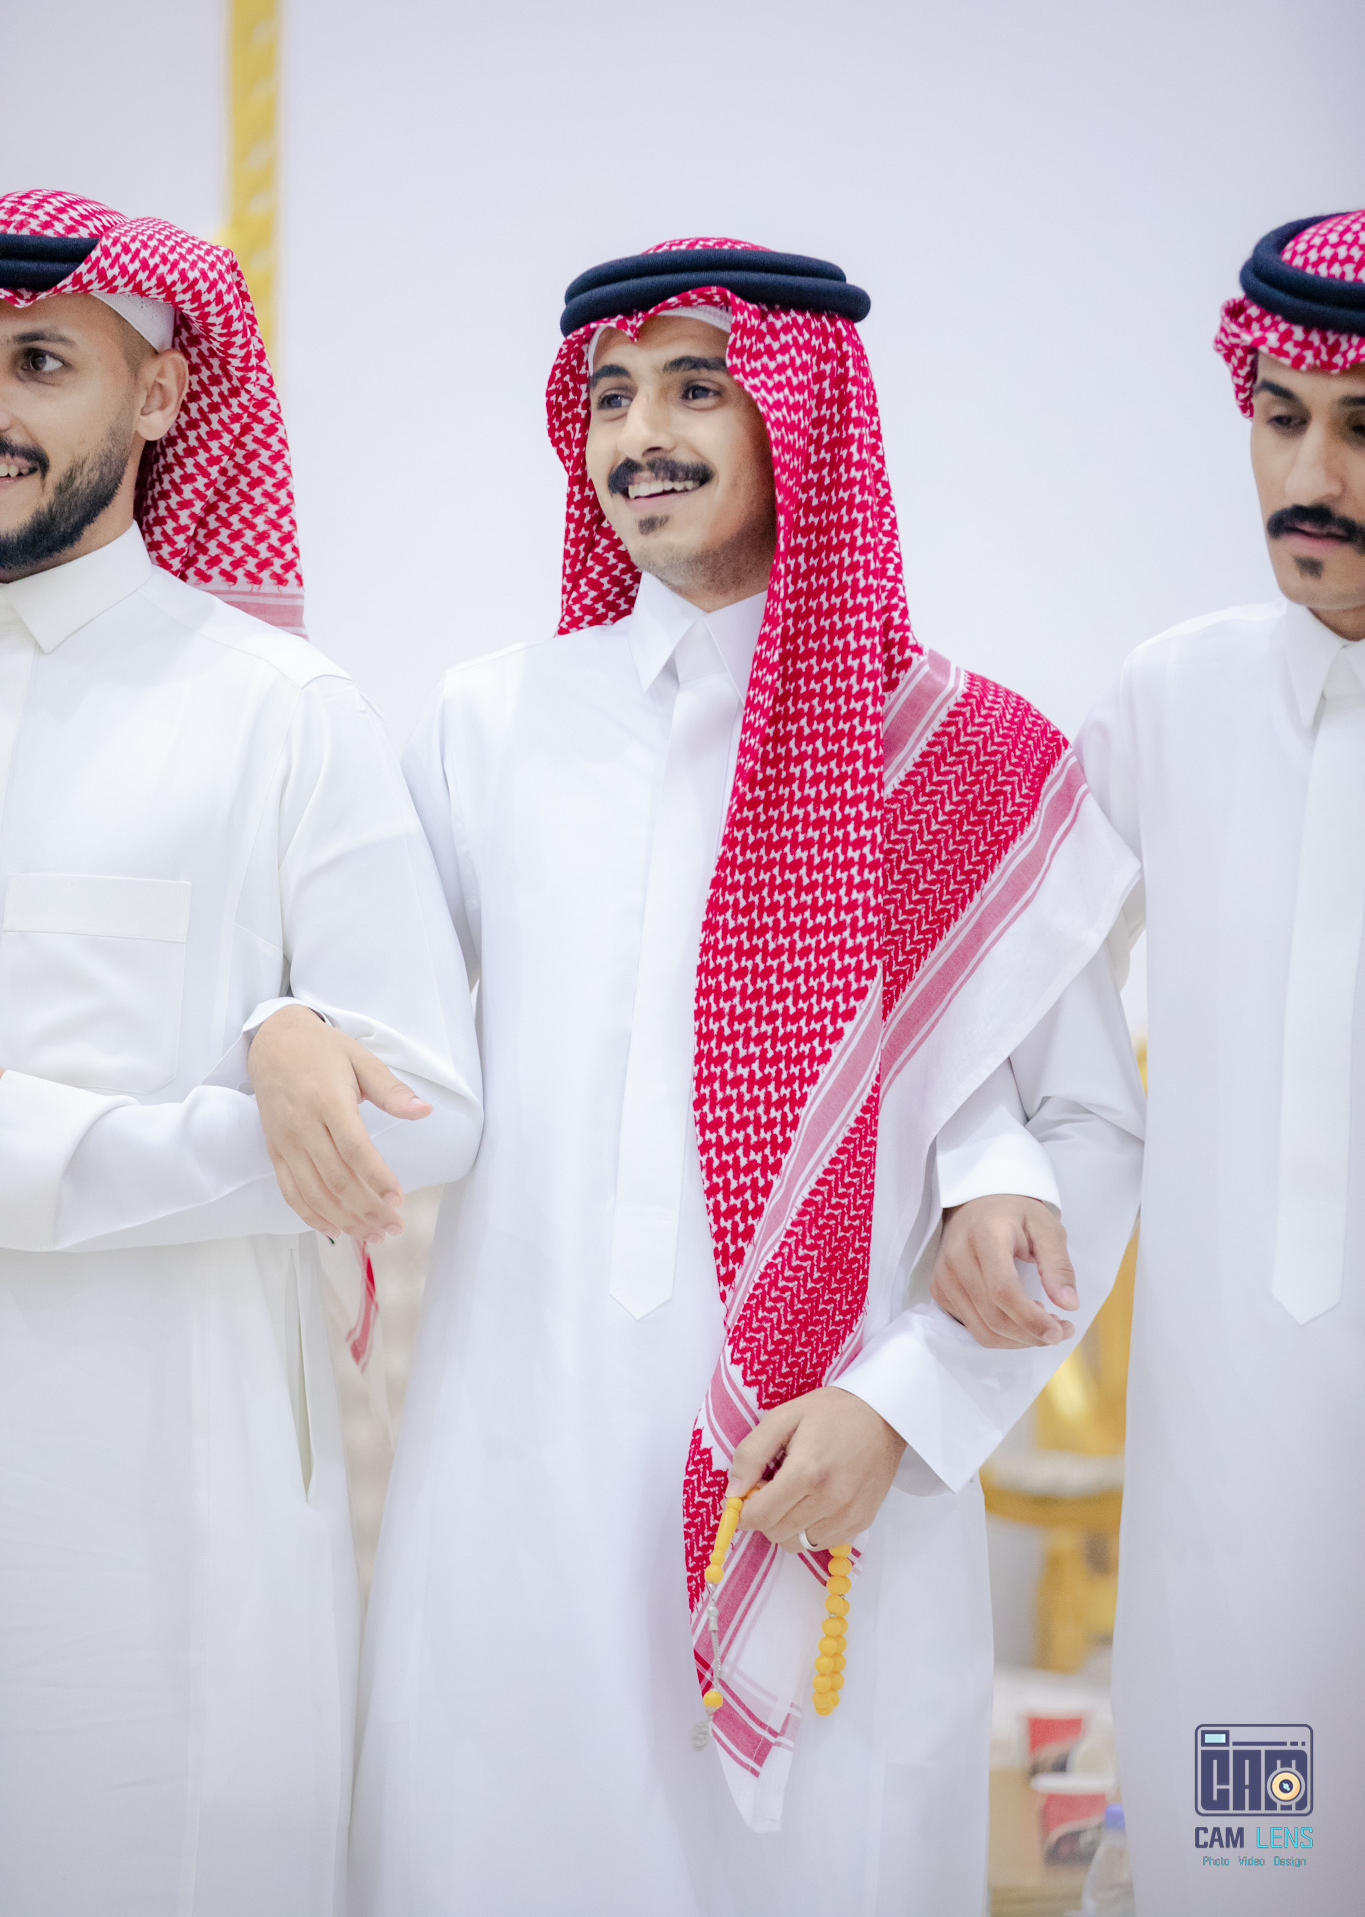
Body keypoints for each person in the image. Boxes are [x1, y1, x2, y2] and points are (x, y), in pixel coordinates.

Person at [332, 239, 1145, 1915]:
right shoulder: (489, 726)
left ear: (804, 417)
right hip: (512, 1479)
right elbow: (374, 1033)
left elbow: (1082, 1127)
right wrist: (287, 1029)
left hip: (831, 1482)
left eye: (697, 389)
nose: (642, 436)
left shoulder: (963, 758)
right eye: (612, 397)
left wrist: (903, 1406)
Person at [0, 190, 482, 1917]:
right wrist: (213, 1118)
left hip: (170, 1501)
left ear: (158, 395)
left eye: (39, 361)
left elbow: (421, 1113)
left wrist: (290, 1044)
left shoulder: (274, 710)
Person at [1080, 209, 1365, 1914]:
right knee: (1246, 1856)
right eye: (1278, 419)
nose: (1308, 477)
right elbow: (1027, 1009)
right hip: (1224, 1469)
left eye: (1361, 430)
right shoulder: (1167, 701)